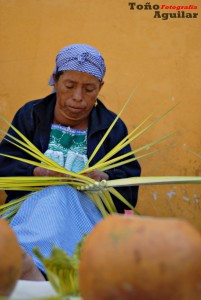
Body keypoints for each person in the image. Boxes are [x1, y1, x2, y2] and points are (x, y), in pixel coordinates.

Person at [0, 44, 141, 280]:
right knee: (55, 197)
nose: (78, 98)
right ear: (55, 80)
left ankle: (44, 274)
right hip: (30, 210)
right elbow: (4, 163)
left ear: (100, 88)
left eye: (89, 89)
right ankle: (35, 266)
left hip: (87, 215)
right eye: (69, 86)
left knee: (63, 196)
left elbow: (129, 185)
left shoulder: (111, 126)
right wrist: (37, 172)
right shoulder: (31, 115)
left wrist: (106, 178)